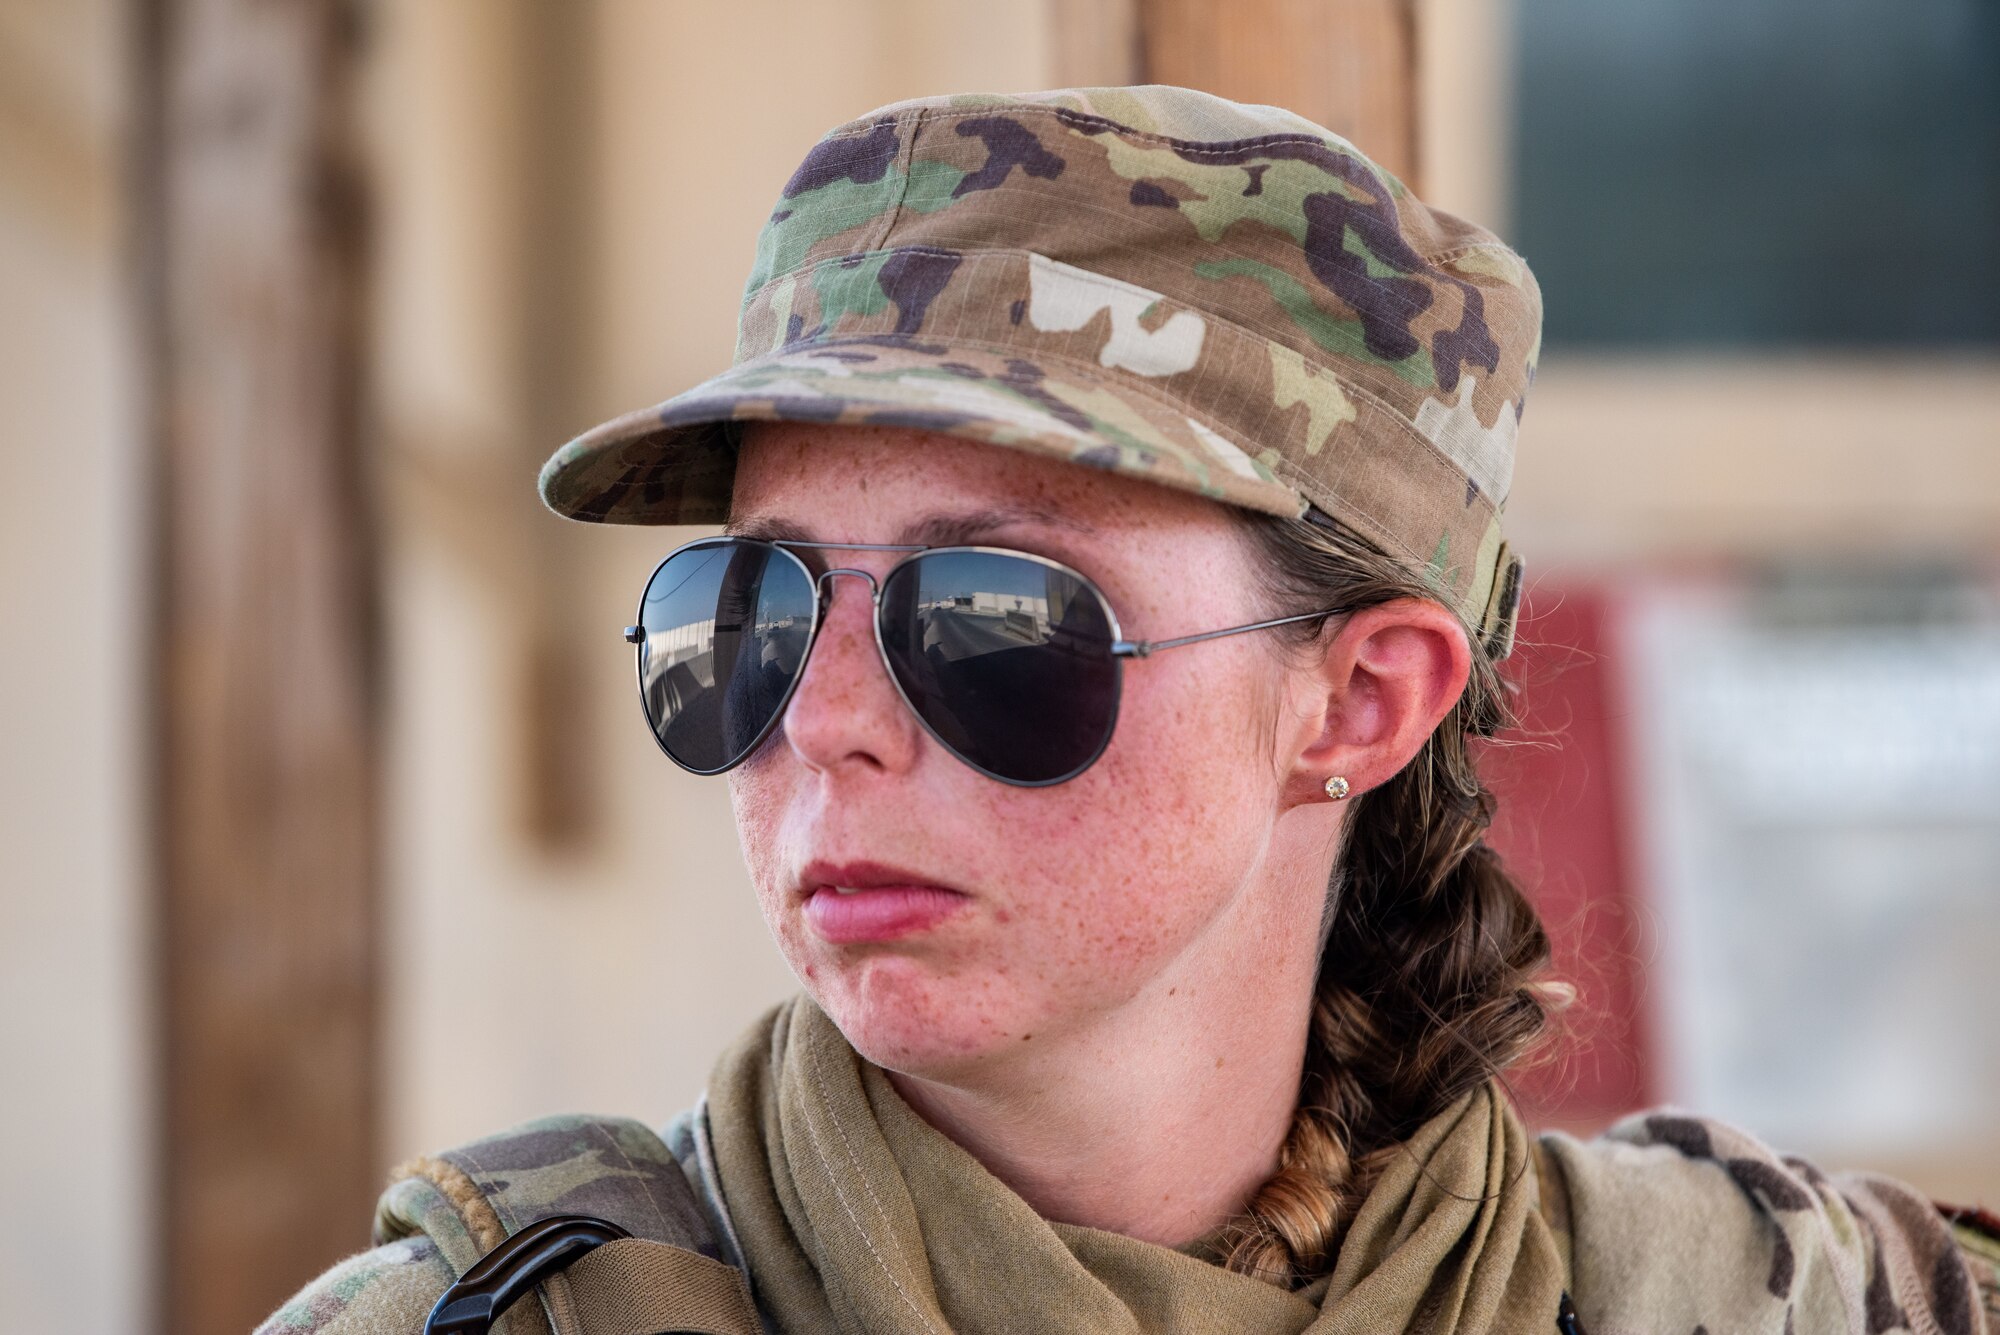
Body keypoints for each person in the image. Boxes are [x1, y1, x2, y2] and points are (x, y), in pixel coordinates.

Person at [261, 85, 1998, 1335]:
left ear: (1363, 699)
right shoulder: (492, 1318)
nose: (828, 726)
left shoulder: (1795, 1303)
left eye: (994, 616)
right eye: (753, 610)